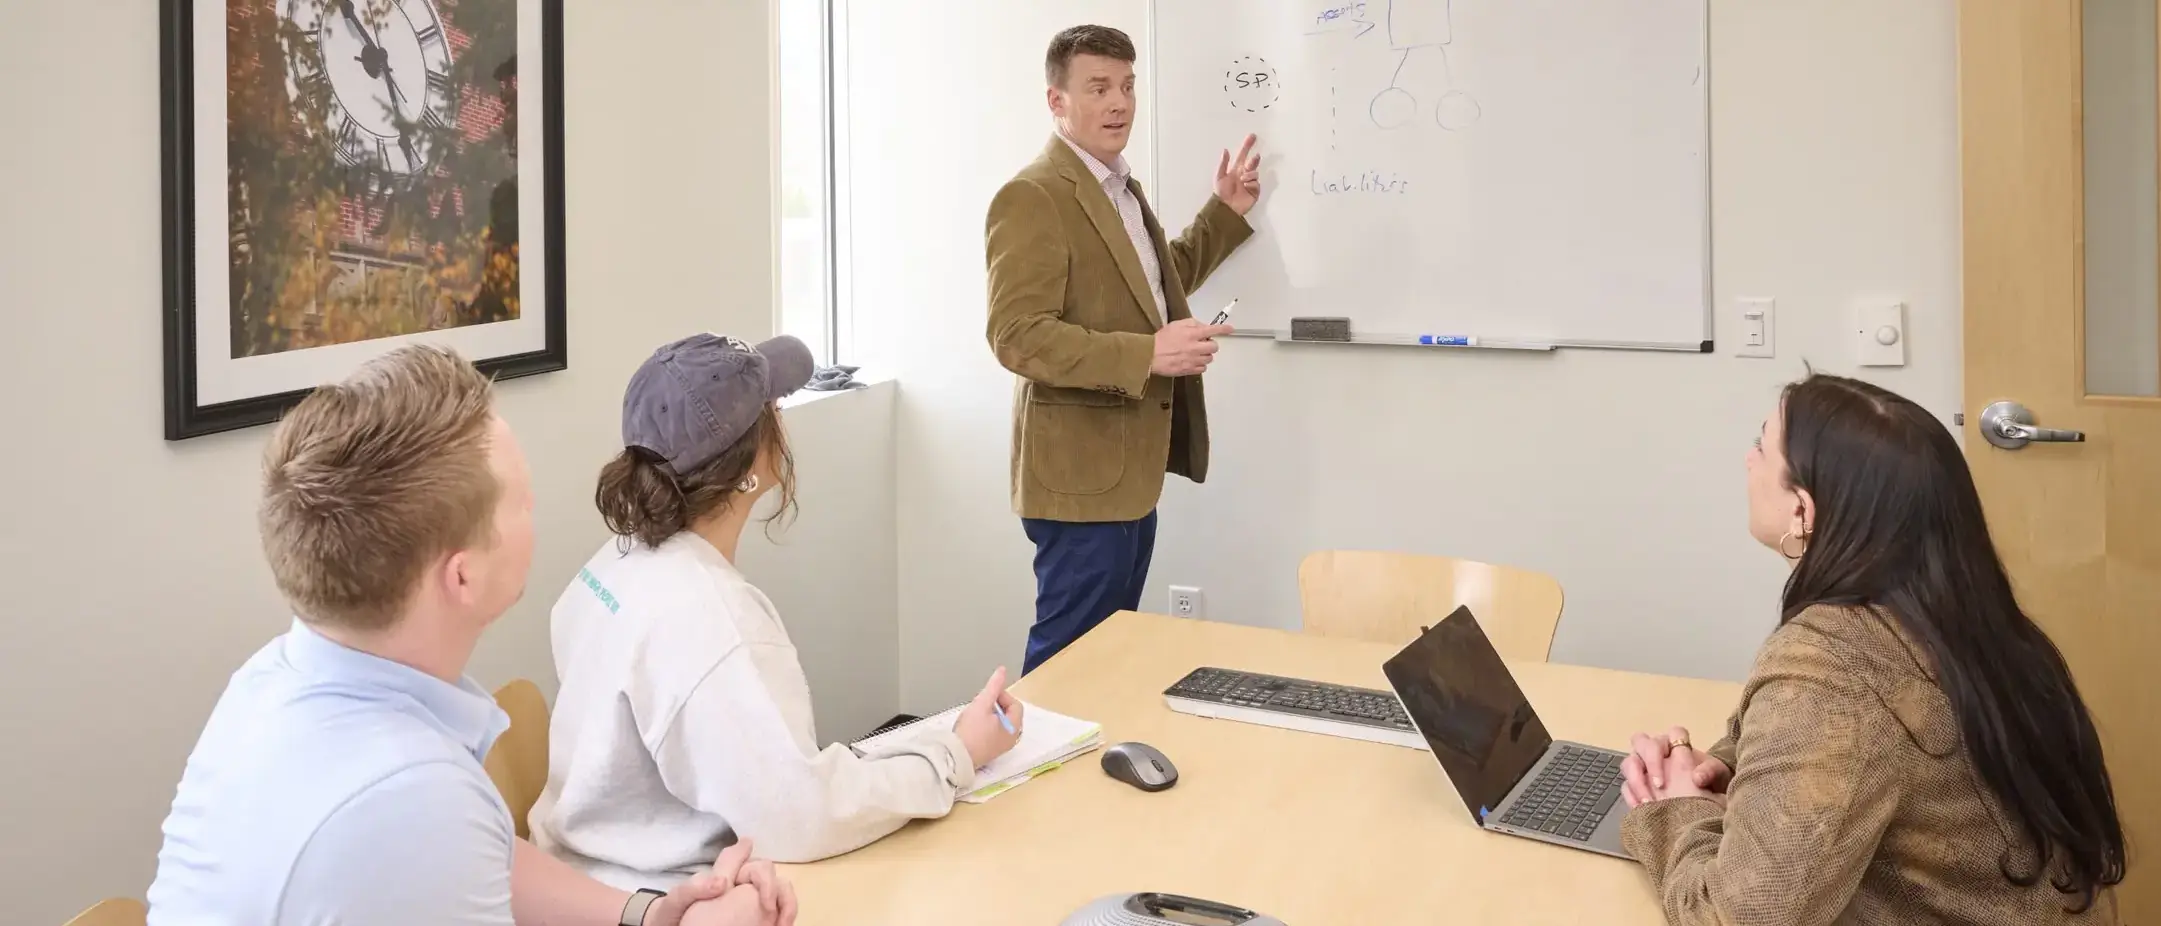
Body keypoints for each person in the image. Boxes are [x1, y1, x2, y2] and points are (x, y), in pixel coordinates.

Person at [145, 345, 795, 925]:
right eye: (519, 502)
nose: (534, 509)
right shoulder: (408, 802)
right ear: (462, 576)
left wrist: (649, 917)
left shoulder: (276, 679)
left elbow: (481, 854)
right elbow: (437, 834)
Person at [1616, 373, 2124, 924]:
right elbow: (1847, 752)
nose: (1747, 460)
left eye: (1761, 446)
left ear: (1802, 512)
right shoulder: (1962, 618)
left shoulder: (1830, 673)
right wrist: (1719, 767)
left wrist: (1675, 813)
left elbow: (1741, 917)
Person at [530, 333, 1025, 876]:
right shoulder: (711, 621)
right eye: (774, 408)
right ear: (751, 457)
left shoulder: (608, 568)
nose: (782, 418)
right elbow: (802, 816)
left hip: (586, 872)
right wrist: (957, 754)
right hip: (662, 895)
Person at [986, 24, 1264, 673]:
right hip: (1078, 481)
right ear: (1057, 101)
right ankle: (1034, 771)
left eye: (1128, 87)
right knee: (1067, 664)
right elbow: (1016, 335)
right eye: (1098, 88)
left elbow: (1150, 285)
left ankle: (1085, 765)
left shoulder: (1115, 187)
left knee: (1105, 656)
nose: (1119, 103)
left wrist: (1223, 212)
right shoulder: (1033, 196)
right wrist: (1146, 355)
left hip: (1124, 479)